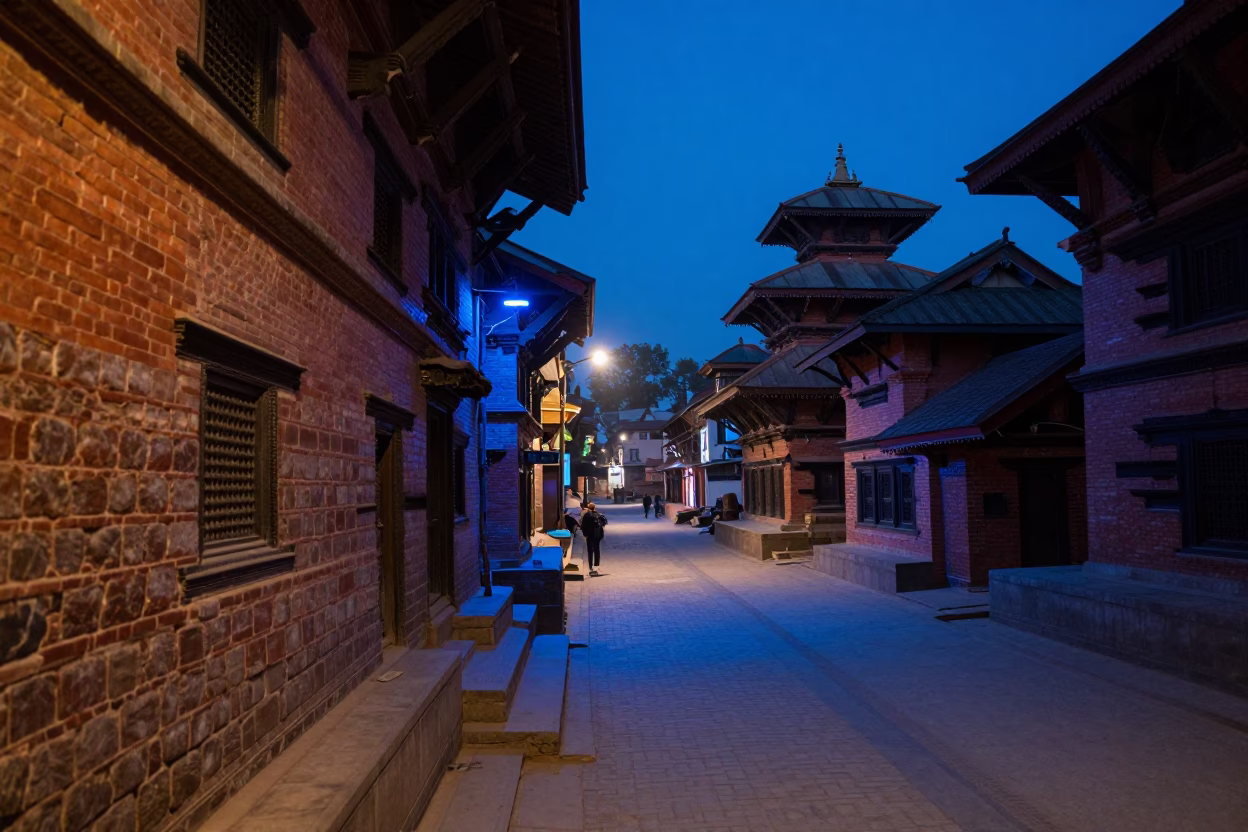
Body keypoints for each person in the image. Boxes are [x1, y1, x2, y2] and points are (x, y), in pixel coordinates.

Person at [581, 502, 608, 576]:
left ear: (588, 508)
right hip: (597, 535)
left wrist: (585, 534)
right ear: (594, 508)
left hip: (590, 535)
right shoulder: (598, 514)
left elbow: (583, 525)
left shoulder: (587, 515)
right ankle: (596, 565)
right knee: (597, 549)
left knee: (590, 551)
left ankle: (590, 566)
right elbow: (603, 523)